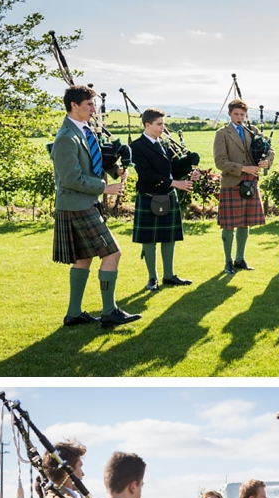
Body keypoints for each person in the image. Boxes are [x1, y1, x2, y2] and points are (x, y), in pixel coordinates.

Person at [51, 85, 139, 328]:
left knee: (83, 258)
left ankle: (74, 314)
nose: (94, 109)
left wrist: (114, 169)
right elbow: (71, 178)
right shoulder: (66, 139)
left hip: (85, 202)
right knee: (112, 253)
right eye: (90, 104)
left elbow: (96, 159)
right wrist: (104, 188)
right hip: (77, 204)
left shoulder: (85, 129)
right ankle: (110, 311)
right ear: (74, 105)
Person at [129, 108, 200, 291]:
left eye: (163, 124)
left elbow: (173, 170)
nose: (163, 128)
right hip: (149, 196)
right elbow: (146, 174)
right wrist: (175, 184)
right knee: (149, 240)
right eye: (159, 124)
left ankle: (169, 275)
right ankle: (152, 278)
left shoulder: (164, 144)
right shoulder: (136, 147)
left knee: (169, 238)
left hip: (168, 196)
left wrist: (188, 163)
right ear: (147, 125)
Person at [213, 98, 274, 274]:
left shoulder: (252, 130)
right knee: (229, 225)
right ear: (230, 114)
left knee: (244, 223)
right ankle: (227, 261)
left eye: (242, 114)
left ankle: (240, 259)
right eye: (236, 114)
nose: (240, 117)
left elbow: (270, 151)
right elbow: (220, 161)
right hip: (232, 182)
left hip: (251, 182)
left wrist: (265, 162)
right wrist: (243, 168)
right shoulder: (222, 133)